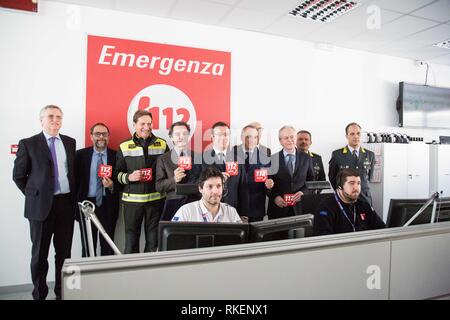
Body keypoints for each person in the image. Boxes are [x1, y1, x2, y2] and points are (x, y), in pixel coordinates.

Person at [12, 105, 76, 300]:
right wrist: (36, 195)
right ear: (42, 120)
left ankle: (62, 293)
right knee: (39, 255)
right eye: (50, 116)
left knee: (64, 254)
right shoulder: (28, 143)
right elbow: (18, 176)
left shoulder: (70, 142)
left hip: (65, 205)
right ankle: (39, 294)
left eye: (58, 117)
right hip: (40, 208)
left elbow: (71, 173)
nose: (55, 120)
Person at [114, 110, 169, 253]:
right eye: (142, 124)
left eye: (149, 123)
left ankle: (150, 275)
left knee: (153, 244)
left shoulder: (162, 144)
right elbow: (116, 174)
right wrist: (128, 177)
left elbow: (168, 171)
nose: (146, 127)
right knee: (131, 243)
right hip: (132, 203)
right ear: (134, 125)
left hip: (156, 202)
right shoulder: (124, 146)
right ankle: (130, 275)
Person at [75, 123, 119, 256]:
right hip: (86, 204)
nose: (101, 137)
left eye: (104, 134)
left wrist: (112, 185)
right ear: (91, 136)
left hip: (108, 205)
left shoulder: (116, 156)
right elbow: (74, 181)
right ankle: (89, 275)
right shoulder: (80, 155)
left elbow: (121, 181)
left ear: (108, 137)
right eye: (97, 134)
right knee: (88, 245)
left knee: (108, 244)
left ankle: (107, 275)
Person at [314, 168, 385, 235]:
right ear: (340, 187)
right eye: (352, 183)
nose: (356, 187)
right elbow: (323, 237)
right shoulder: (326, 207)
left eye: (358, 183)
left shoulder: (364, 205)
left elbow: (382, 228)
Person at [201, 122, 249, 219]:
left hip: (232, 211)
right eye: (219, 135)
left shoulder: (238, 160)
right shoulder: (201, 159)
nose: (223, 138)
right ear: (212, 137)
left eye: (226, 134)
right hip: (208, 212)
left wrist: (244, 214)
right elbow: (196, 184)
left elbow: (243, 188)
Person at [156, 121, 201, 221]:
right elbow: (158, 186)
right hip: (172, 204)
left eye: (185, 134)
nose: (181, 137)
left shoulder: (198, 157)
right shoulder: (163, 159)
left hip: (194, 203)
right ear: (171, 137)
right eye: (177, 134)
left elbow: (202, 181)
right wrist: (174, 180)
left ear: (189, 136)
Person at [267, 126, 314, 219]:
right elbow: (268, 183)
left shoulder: (306, 157)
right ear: (280, 141)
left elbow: (311, 180)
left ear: (296, 138)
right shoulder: (272, 159)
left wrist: (303, 192)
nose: (290, 140)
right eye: (286, 138)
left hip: (300, 209)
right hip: (278, 209)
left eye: (292, 137)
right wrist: (275, 197)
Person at [232, 125, 274, 222]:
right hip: (235, 207)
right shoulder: (231, 154)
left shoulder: (265, 157)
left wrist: (269, 186)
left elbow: (269, 184)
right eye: (248, 136)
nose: (251, 140)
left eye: (255, 137)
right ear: (241, 137)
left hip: (256, 208)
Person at [172, 166, 242, 223]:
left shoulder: (231, 212)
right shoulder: (185, 211)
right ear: (200, 189)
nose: (215, 191)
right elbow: (173, 238)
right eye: (210, 186)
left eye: (218, 186)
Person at [328, 122, 375, 205]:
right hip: (345, 198)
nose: (355, 136)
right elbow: (332, 177)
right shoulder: (337, 155)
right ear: (347, 136)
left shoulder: (370, 154)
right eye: (352, 134)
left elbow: (369, 177)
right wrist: (341, 192)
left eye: (358, 133)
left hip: (365, 198)